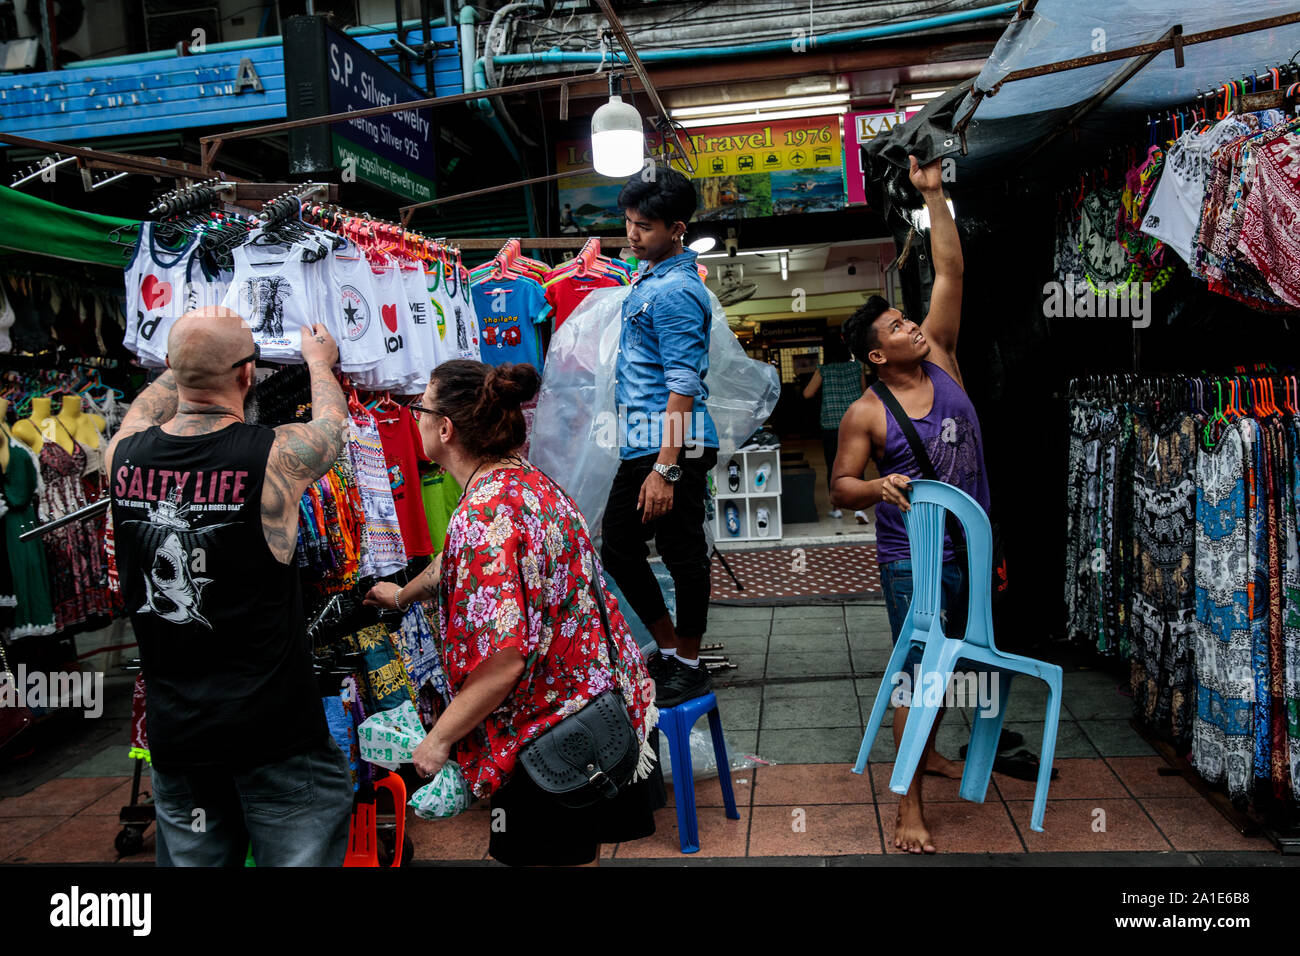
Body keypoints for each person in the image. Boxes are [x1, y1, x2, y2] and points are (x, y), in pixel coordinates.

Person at [363, 360, 658, 866]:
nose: (415, 419)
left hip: (548, 733)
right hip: (592, 706)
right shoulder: (521, 481)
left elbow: (503, 664)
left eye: (419, 409)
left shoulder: (483, 511)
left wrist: (438, 741)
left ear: (445, 428)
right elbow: (458, 560)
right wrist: (400, 596)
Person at [106, 307, 354, 866]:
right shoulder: (272, 457)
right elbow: (334, 429)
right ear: (247, 375)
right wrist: (320, 362)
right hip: (274, 734)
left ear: (169, 367)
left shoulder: (123, 454)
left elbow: (148, 404)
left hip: (179, 736)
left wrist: (195, 346)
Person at [831, 155, 991, 855]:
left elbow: (951, 273)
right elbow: (839, 488)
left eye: (907, 319)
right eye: (897, 328)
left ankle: (929, 753)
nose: (912, 329)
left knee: (958, 668)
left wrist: (935, 198)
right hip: (909, 561)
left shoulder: (944, 358)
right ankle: (909, 809)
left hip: (975, 548)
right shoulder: (866, 414)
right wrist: (876, 487)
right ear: (875, 356)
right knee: (914, 677)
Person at [598, 165, 719, 708]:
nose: (631, 234)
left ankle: (688, 662)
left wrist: (666, 468)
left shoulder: (674, 292)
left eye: (643, 226)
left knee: (680, 551)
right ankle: (671, 649)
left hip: (672, 444)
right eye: (628, 222)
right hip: (645, 441)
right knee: (620, 548)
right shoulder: (648, 279)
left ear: (676, 228)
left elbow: (683, 382)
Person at [802, 330, 867, 520]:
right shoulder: (857, 368)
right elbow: (864, 394)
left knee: (833, 465)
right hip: (855, 423)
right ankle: (859, 508)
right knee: (858, 464)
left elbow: (808, 393)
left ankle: (836, 508)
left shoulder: (824, 370)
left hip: (831, 424)